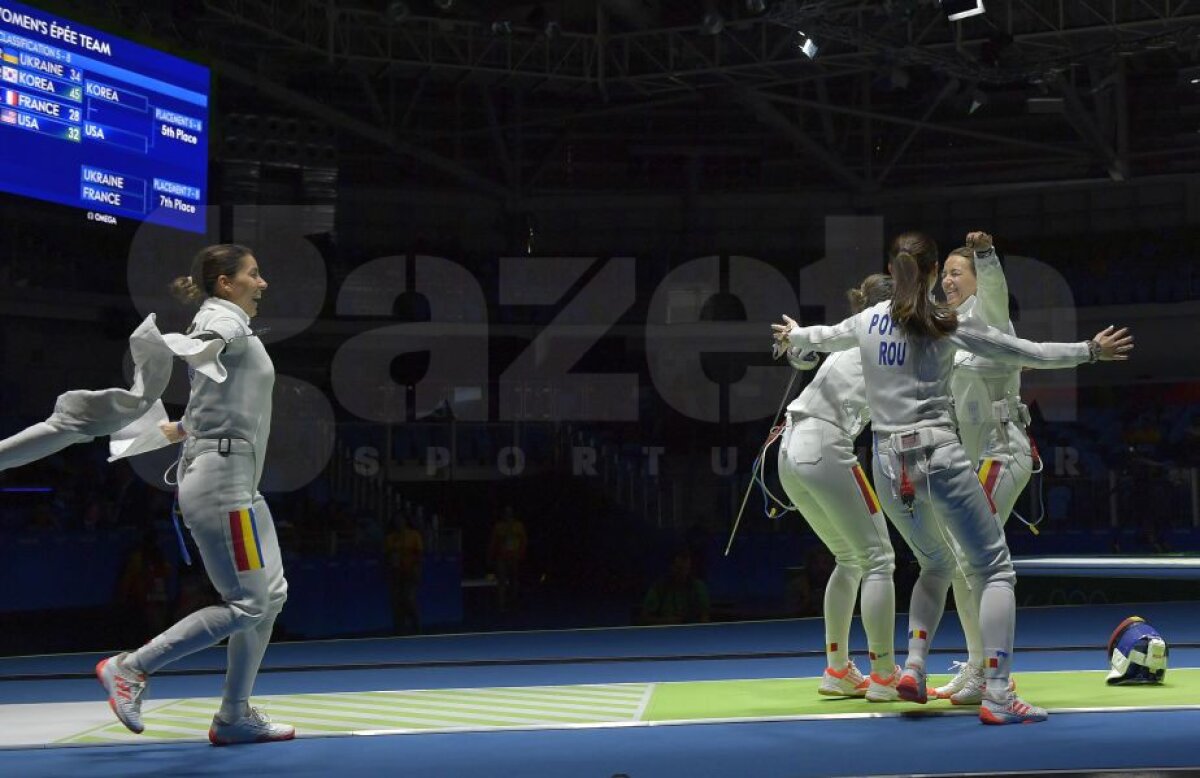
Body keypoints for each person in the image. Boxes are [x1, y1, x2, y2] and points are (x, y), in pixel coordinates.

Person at [772, 230, 1132, 725]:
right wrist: (1090, 350)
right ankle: (999, 694)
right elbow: (1022, 350)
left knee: (934, 564)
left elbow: (814, 337)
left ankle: (913, 669)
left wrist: (792, 335)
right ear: (931, 272)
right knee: (994, 570)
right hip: (938, 457)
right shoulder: (943, 322)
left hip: (886, 465)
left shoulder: (867, 320)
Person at [95, 244, 295, 745]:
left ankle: (233, 717)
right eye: (254, 274)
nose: (263, 282)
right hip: (224, 484)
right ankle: (130, 668)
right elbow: (209, 341)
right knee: (249, 603)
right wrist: (194, 345)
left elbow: (215, 397)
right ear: (227, 284)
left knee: (269, 597)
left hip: (237, 481)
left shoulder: (231, 324)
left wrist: (178, 427)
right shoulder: (221, 320)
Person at [776, 274, 899, 702]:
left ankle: (838, 670)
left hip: (789, 451)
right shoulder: (884, 338)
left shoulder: (856, 336)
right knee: (880, 558)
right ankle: (884, 675)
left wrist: (796, 345)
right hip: (825, 445)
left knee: (850, 558)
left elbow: (808, 350)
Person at [933, 231, 1038, 704]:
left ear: (976, 278)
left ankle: (995, 674)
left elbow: (994, 287)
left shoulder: (991, 313)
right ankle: (979, 665)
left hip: (1003, 451)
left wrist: (987, 255)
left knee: (972, 555)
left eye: (957, 272)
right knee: (960, 557)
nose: (947, 280)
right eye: (943, 275)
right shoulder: (950, 331)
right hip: (975, 459)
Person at [640, 548, 710, 625]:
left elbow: (704, 618)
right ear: (671, 567)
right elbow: (645, 619)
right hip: (663, 633)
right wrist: (669, 621)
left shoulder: (698, 587)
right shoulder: (658, 588)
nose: (682, 573)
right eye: (679, 569)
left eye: (686, 569)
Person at [385, 511, 424, 634]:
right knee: (396, 600)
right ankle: (399, 629)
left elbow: (419, 553)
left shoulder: (414, 535)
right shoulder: (390, 538)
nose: (399, 523)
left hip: (411, 571)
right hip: (395, 573)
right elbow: (387, 555)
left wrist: (416, 569)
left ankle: (416, 627)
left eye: (401, 520)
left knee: (409, 598)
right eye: (396, 520)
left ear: (406, 521)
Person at [488, 505, 527, 612]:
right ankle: (501, 605)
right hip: (501, 558)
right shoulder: (499, 526)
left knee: (514, 581)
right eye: (506, 511)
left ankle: (514, 603)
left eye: (510, 511)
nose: (508, 514)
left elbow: (524, 542)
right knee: (501, 581)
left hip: (515, 557)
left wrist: (521, 554)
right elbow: (493, 543)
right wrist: (491, 557)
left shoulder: (519, 525)